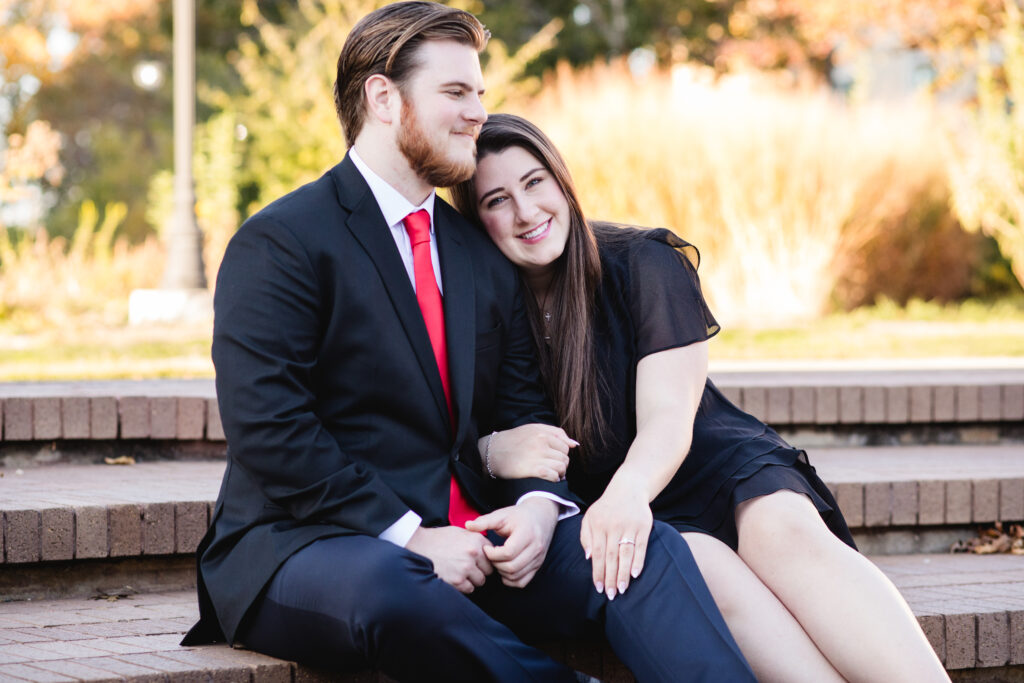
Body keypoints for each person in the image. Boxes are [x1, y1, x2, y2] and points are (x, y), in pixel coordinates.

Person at [182, 4, 757, 681]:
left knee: (643, 549)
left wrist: (543, 507)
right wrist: (412, 536)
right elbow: (272, 431)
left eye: (480, 93)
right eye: (456, 92)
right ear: (383, 98)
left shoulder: (478, 257)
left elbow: (525, 407)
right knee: (392, 586)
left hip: (473, 543)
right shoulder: (282, 243)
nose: (478, 112)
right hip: (308, 548)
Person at [451, 113, 951, 683]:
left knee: (781, 533)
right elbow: (465, 426)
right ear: (476, 219)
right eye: (497, 199)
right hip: (635, 513)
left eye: (535, 182)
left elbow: (669, 417)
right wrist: (495, 447)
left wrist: (627, 494)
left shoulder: (641, 261)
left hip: (704, 467)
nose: (525, 212)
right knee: (701, 567)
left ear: (562, 182)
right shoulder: (481, 310)